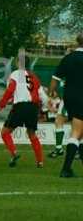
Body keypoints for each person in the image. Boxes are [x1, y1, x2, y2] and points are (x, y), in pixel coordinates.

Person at [0, 55, 47, 168]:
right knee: (32, 134)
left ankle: (14, 153)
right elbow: (42, 96)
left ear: (19, 63)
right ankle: (40, 162)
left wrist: (1, 105)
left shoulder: (15, 74)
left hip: (20, 106)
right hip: (33, 107)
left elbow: (10, 89)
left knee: (5, 132)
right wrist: (44, 110)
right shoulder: (34, 77)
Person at [49, 34, 83, 178]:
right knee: (76, 132)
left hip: (69, 97)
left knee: (80, 132)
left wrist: (53, 94)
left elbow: (54, 81)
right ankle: (66, 169)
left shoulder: (68, 58)